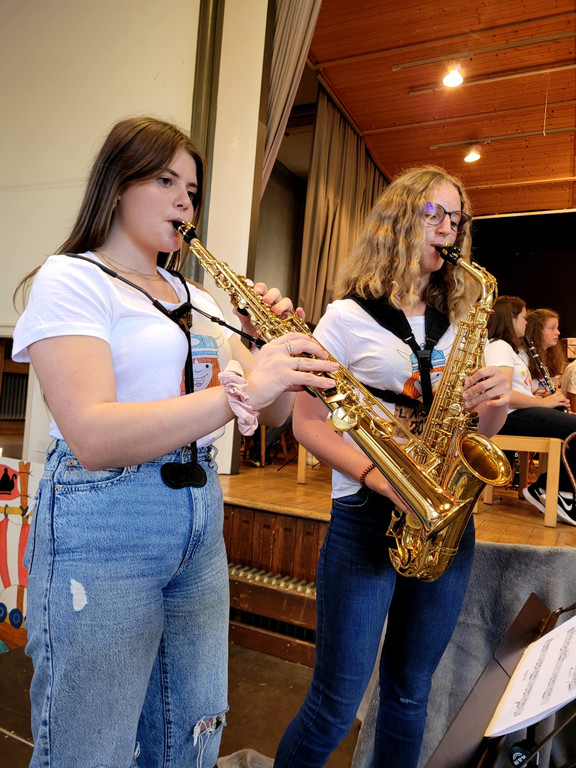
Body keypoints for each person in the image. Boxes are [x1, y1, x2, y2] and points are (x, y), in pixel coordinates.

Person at [11, 116, 339, 768]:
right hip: (105, 517)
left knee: (190, 729)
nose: (186, 200)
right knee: (91, 744)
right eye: (165, 180)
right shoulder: (72, 278)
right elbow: (93, 434)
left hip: (197, 518)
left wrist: (281, 360)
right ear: (116, 185)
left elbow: (271, 414)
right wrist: (237, 392)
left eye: (192, 186)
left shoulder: (197, 297)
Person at [274, 166, 511, 768]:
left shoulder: (462, 322)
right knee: (335, 700)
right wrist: (387, 480)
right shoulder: (344, 318)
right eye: (434, 213)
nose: (448, 228)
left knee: (409, 694)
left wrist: (493, 410)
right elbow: (307, 424)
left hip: (443, 521)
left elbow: (475, 436)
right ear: (399, 220)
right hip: (366, 514)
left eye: (456, 217)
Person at [484, 296, 576, 525]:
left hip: (517, 414)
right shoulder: (499, 347)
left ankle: (557, 491)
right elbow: (503, 396)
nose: (527, 322)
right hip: (508, 418)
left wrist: (547, 400)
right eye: (523, 317)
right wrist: (545, 403)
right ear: (510, 318)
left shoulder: (510, 350)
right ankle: (551, 490)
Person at [524, 307, 566, 396]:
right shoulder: (522, 356)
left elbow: (552, 392)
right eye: (552, 328)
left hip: (544, 406)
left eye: (557, 328)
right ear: (537, 331)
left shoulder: (554, 357)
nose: (558, 332)